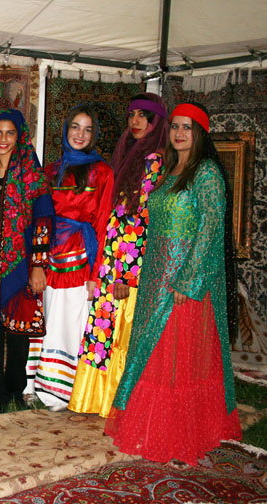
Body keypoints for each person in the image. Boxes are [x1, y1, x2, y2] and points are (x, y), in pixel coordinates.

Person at [106, 102, 241, 465]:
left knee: (175, 360)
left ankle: (178, 434)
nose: (180, 133)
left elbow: (209, 230)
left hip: (184, 282)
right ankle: (150, 428)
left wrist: (188, 280)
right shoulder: (169, 168)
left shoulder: (207, 173)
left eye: (188, 127)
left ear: (200, 134)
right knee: (150, 352)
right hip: (157, 275)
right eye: (176, 126)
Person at [69, 93, 168, 417]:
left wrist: (126, 274)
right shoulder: (127, 153)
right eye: (132, 115)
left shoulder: (154, 161)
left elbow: (143, 222)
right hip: (111, 261)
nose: (136, 121)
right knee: (102, 332)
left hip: (128, 268)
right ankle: (98, 399)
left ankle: (120, 402)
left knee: (120, 335)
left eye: (144, 116)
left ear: (156, 122)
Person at [32, 105, 113, 411]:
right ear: (65, 130)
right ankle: (39, 384)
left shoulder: (102, 172)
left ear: (94, 135)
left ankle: (63, 392)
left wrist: (96, 273)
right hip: (50, 255)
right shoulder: (51, 171)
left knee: (69, 322)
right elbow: (40, 216)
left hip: (80, 256)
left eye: (87, 129)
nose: (80, 134)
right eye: (75, 127)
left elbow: (103, 222)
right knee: (47, 318)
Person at [0, 109, 54, 413]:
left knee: (19, 334)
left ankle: (15, 390)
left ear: (20, 136)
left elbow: (43, 221)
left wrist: (38, 266)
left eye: (10, 132)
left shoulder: (32, 175)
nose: (3, 139)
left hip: (21, 267)